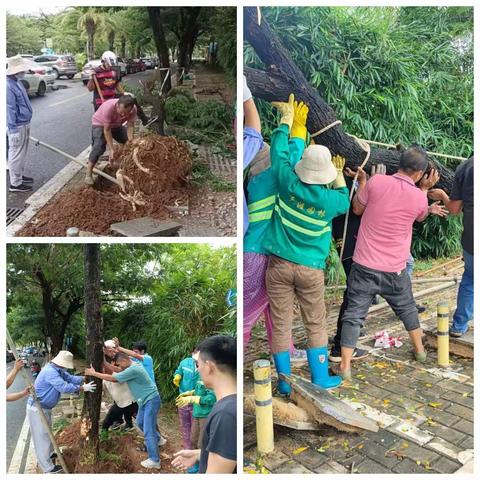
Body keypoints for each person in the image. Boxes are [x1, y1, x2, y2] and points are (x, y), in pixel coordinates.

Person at [262, 94, 350, 394]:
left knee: (282, 324)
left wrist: (287, 122)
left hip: (278, 267)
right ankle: (321, 378)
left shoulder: (288, 182)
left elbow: (279, 153)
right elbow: (346, 198)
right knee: (315, 323)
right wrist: (338, 176)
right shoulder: (332, 200)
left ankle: (285, 385)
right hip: (311, 270)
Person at [334, 146, 441, 380]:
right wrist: (424, 189)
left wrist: (363, 182)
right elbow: (421, 215)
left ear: (399, 163)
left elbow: (357, 209)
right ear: (420, 172)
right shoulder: (417, 197)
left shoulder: (377, 182)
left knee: (354, 314)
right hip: (395, 269)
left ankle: (345, 366)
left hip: (363, 265)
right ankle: (420, 352)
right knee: (407, 308)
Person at [243, 78, 305, 362]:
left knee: (274, 308)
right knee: (245, 316)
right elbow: (289, 160)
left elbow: (287, 159)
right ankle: (231, 367)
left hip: (263, 254)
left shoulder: (257, 180)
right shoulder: (271, 177)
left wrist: (293, 130)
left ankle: (286, 352)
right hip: (258, 256)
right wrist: (295, 130)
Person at [86, 351, 162, 469]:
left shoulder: (133, 369)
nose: (119, 367)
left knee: (148, 430)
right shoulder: (132, 364)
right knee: (140, 422)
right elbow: (119, 371)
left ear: (124, 361)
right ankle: (158, 439)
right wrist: (105, 363)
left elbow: (114, 378)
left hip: (150, 400)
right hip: (144, 401)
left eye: (119, 365)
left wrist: (94, 373)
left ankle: (154, 460)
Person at [172, 335, 236, 473]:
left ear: (208, 367)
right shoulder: (229, 405)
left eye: (197, 364)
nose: (197, 369)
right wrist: (199, 455)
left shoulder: (225, 415)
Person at [27, 351, 96, 473]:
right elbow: (63, 387)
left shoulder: (57, 370)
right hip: (38, 408)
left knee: (46, 433)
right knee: (41, 436)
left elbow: (70, 378)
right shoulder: (50, 372)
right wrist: (81, 388)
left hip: (45, 408)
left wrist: (85, 378)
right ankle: (48, 468)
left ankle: (49, 454)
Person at [428, 155, 474, 337]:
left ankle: (459, 325)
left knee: (470, 280)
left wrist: (442, 196)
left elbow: (453, 209)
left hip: (472, 239)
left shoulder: (467, 167)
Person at [176, 350, 216, 473]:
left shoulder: (209, 377)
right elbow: (198, 389)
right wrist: (191, 393)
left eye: (198, 364)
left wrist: (195, 398)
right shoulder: (189, 365)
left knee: (202, 442)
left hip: (204, 415)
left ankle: (202, 467)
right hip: (197, 413)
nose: (197, 368)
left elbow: (212, 398)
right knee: (193, 439)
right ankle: (194, 462)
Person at [86, 95, 137, 185]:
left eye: (126, 113)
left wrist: (130, 141)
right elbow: (107, 130)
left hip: (116, 125)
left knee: (127, 142)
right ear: (117, 105)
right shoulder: (108, 107)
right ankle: (88, 173)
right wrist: (111, 149)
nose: (123, 115)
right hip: (100, 124)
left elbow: (130, 125)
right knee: (99, 147)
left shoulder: (133, 109)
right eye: (122, 112)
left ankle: (115, 162)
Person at [87, 51, 149, 123]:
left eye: (111, 65)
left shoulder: (114, 71)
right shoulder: (96, 72)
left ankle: (145, 120)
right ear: (103, 61)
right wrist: (91, 78)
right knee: (103, 122)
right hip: (100, 100)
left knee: (131, 98)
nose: (110, 67)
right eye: (108, 65)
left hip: (113, 97)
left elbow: (117, 84)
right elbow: (90, 89)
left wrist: (124, 93)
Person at [7, 55, 34, 192]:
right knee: (16, 153)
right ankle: (15, 183)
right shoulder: (8, 86)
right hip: (17, 125)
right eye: (21, 71)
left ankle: (19, 176)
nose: (23, 72)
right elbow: (9, 109)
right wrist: (13, 130)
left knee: (21, 153)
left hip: (24, 122)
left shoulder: (16, 82)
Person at [102, 341, 138, 431]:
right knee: (129, 414)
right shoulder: (105, 376)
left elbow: (116, 375)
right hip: (123, 401)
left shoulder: (121, 370)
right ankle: (125, 424)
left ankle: (105, 432)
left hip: (129, 400)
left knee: (108, 421)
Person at [173, 350, 199, 449]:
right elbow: (178, 370)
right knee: (184, 424)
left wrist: (193, 395)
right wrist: (177, 375)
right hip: (183, 398)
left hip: (197, 402)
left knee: (195, 428)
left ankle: (195, 449)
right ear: (192, 353)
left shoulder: (206, 367)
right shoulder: (185, 362)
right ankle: (187, 447)